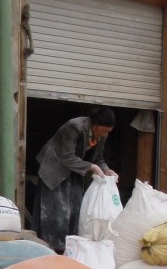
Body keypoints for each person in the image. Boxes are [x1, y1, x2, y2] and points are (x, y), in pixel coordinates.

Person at [32, 106, 117, 254]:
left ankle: (67, 250)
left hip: (74, 173)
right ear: (95, 124)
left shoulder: (102, 135)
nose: (105, 134)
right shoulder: (74, 127)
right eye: (103, 130)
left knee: (74, 213)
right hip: (55, 171)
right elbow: (66, 156)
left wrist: (106, 169)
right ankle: (48, 251)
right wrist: (92, 167)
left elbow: (99, 158)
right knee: (55, 215)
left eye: (108, 132)